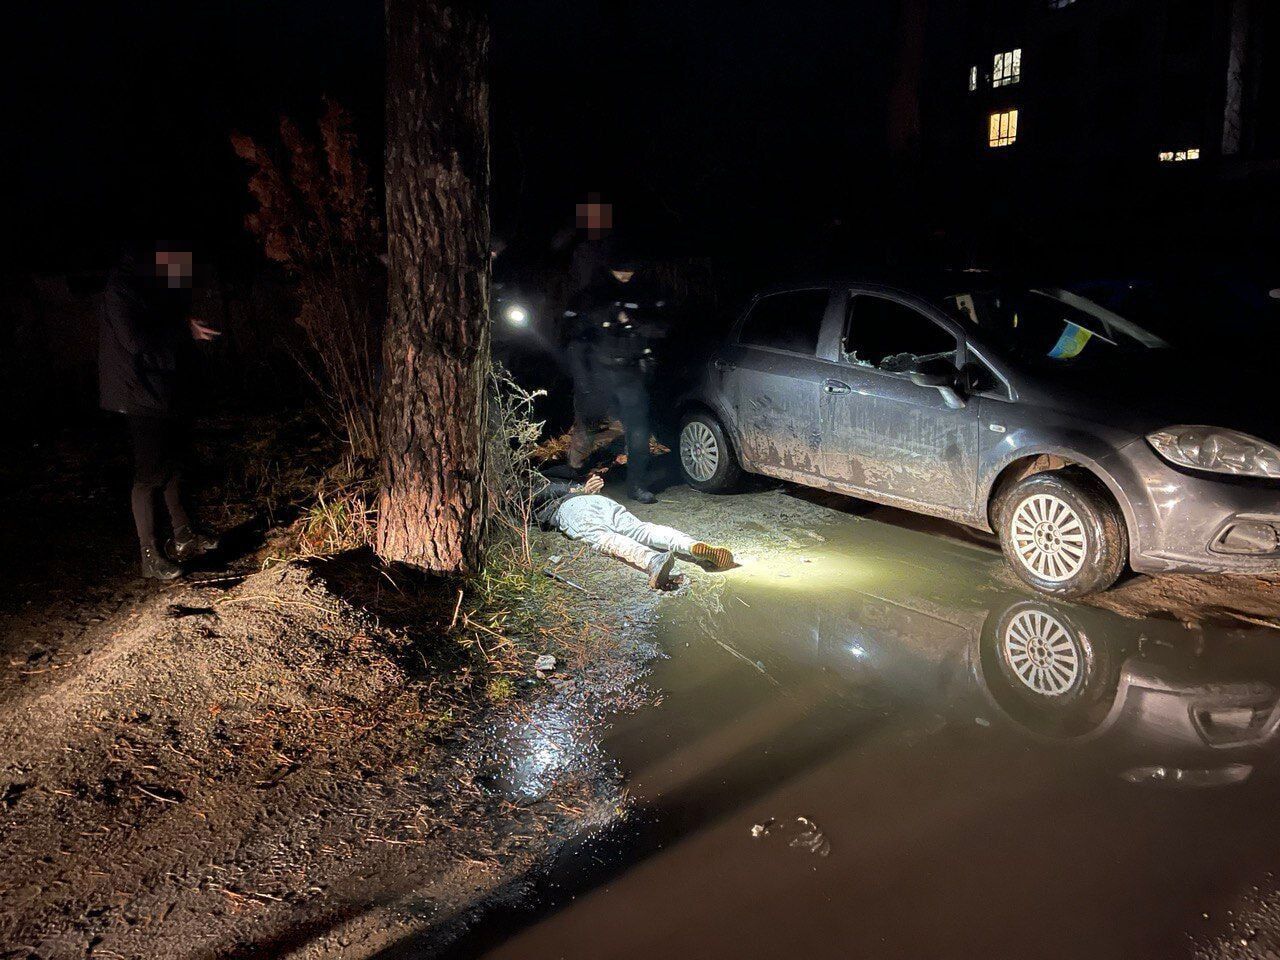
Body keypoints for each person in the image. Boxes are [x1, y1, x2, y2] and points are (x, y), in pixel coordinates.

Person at [99, 244, 220, 580]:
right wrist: (183, 329)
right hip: (137, 392)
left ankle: (184, 536)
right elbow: (136, 342)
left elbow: (164, 317)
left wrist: (184, 323)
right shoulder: (120, 288)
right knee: (149, 474)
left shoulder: (147, 282)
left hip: (161, 386)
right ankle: (149, 556)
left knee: (174, 464)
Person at [567, 257, 667, 502]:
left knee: (638, 431)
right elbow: (575, 342)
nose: (624, 275)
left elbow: (660, 328)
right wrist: (583, 381)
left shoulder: (643, 293)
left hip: (630, 373)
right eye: (619, 269)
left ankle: (637, 486)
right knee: (586, 428)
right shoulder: (592, 296)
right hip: (597, 372)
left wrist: (632, 324)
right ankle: (572, 481)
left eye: (629, 269)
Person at [534, 474, 732, 589]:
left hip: (573, 508)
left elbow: (541, 493)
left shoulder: (534, 488)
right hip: (600, 502)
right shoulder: (564, 475)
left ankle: (653, 560)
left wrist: (576, 491)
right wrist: (583, 488)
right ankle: (689, 545)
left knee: (603, 538)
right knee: (640, 529)